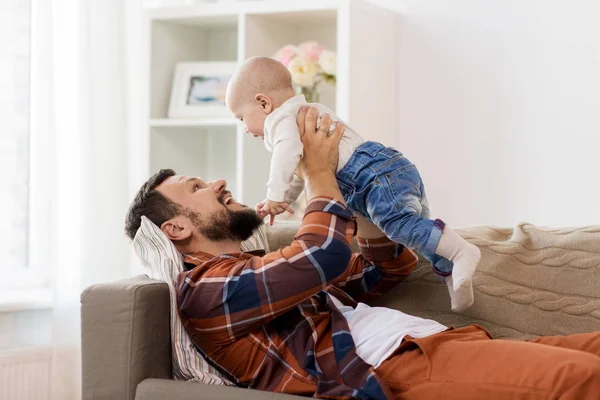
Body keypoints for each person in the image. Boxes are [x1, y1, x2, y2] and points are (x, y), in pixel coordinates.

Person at [124, 108, 600, 400]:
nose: (219, 182)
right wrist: (318, 175)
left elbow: (387, 268)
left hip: (442, 344)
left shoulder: (264, 272)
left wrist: (360, 192)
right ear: (177, 227)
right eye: (198, 187)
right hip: (398, 368)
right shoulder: (207, 292)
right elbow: (323, 255)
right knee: (585, 381)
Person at [225, 56, 479, 312]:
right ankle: (451, 273)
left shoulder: (280, 120)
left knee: (399, 226)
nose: (244, 129)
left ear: (263, 102)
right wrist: (282, 201)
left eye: (241, 118)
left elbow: (287, 153)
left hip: (373, 177)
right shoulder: (303, 114)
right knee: (418, 233)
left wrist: (273, 194)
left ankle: (461, 252)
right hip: (384, 171)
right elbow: (299, 172)